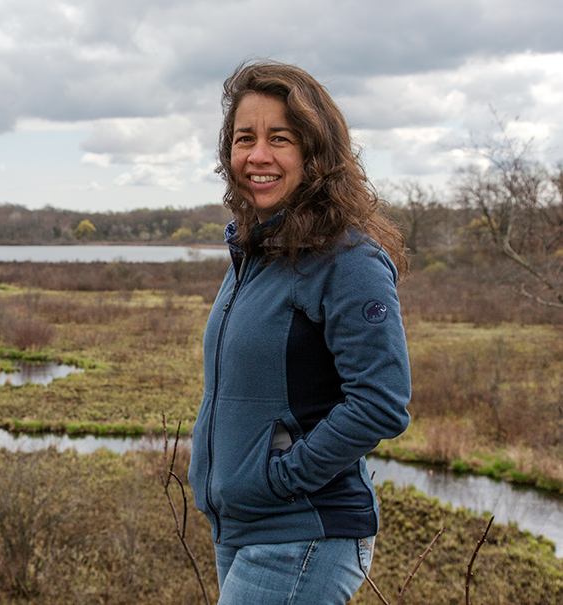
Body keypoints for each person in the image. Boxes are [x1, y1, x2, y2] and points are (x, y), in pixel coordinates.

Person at [187, 59, 412, 604]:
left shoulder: (348, 258)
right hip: (241, 528)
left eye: (279, 139)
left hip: (302, 532)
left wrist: (280, 480)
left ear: (315, 153)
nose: (257, 155)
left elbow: (382, 403)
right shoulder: (254, 254)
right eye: (245, 138)